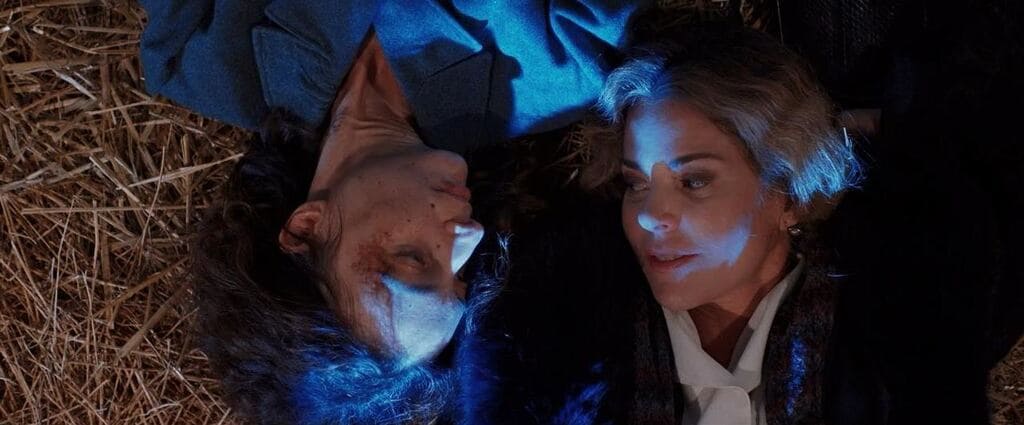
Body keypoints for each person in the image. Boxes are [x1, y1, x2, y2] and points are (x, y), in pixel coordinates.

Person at [139, 0, 650, 423]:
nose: (468, 235)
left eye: (412, 258)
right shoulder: (568, 62)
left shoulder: (196, 60)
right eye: (459, 277)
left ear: (307, 227)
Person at [588, 20, 1023, 424]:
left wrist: (903, 137)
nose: (648, 215)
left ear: (790, 196)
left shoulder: (906, 336)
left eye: (694, 181)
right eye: (636, 183)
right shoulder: (576, 336)